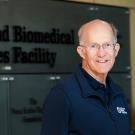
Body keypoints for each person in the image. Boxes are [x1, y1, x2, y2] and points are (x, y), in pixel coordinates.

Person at [41, 19, 131, 135]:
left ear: (116, 50)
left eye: (107, 45)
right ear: (82, 52)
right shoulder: (62, 95)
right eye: (94, 46)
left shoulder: (118, 94)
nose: (101, 53)